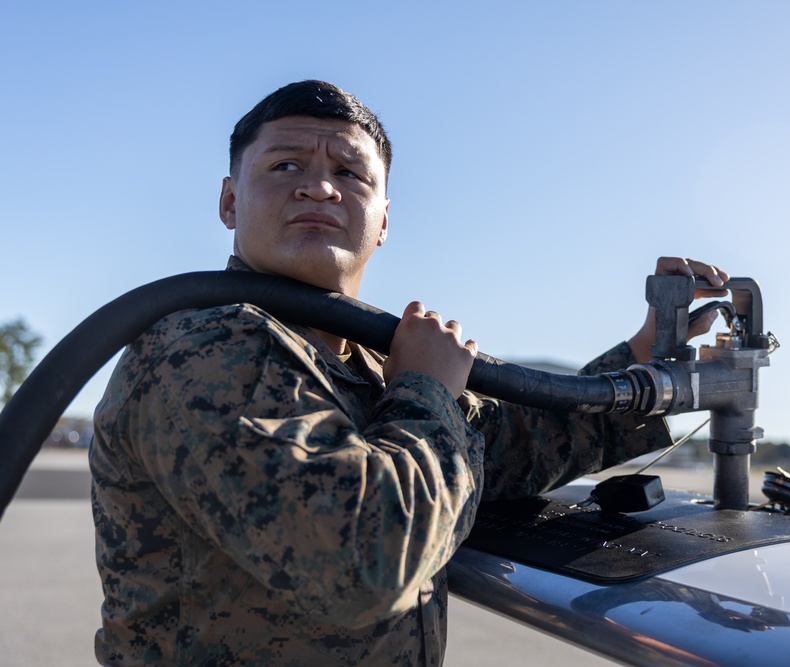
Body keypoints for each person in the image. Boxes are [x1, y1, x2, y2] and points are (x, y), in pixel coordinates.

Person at [89, 80, 728, 666]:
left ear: (385, 218)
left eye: (349, 172)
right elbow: (360, 562)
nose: (319, 187)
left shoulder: (369, 359)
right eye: (285, 166)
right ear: (230, 201)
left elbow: (519, 442)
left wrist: (645, 355)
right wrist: (425, 391)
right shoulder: (203, 346)